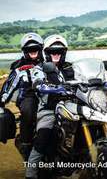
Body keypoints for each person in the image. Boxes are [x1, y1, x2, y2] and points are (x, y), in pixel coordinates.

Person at [25, 35, 74, 179]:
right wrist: (43, 86)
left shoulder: (70, 67)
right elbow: (37, 82)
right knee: (43, 137)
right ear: (47, 52)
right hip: (49, 110)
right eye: (53, 50)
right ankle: (31, 174)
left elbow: (85, 78)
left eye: (59, 51)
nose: (56, 53)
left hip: (71, 107)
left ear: (64, 52)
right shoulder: (40, 68)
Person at [0, 33, 44, 160]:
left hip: (48, 96)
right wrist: (2, 100)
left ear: (40, 49)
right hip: (27, 96)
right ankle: (25, 143)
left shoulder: (48, 63)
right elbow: (9, 85)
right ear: (24, 50)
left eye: (35, 48)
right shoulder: (18, 67)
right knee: (28, 110)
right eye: (29, 48)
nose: (32, 50)